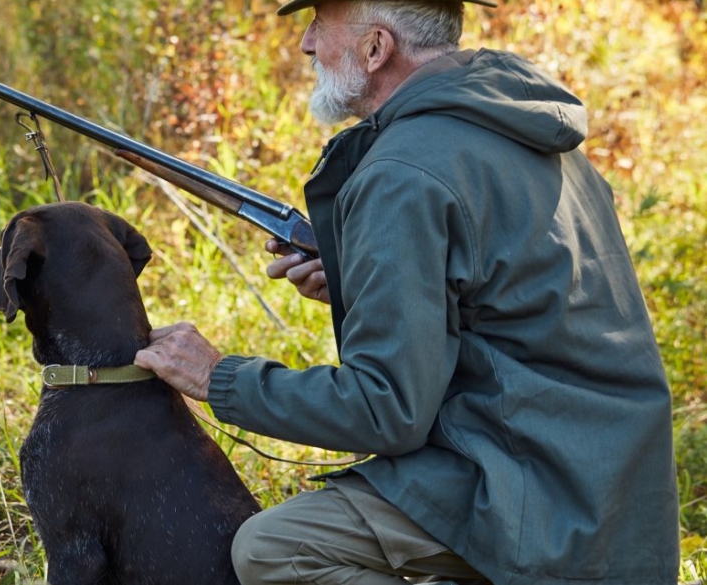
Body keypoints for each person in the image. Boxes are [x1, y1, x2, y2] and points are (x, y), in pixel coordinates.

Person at [133, 0, 680, 584]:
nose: (306, 44)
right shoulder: (519, 121)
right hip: (618, 496)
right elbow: (507, 298)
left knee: (274, 549)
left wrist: (218, 376)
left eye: (320, 22)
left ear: (376, 47)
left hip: (535, 501)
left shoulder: (403, 173)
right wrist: (363, 277)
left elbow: (385, 409)